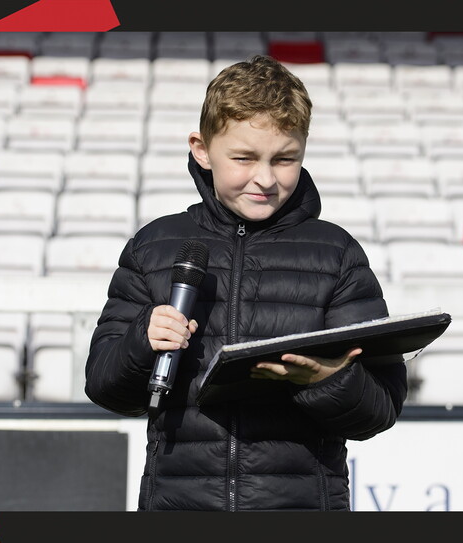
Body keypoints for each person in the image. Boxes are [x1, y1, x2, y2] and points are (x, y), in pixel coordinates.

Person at [84, 54, 407, 511]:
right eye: (243, 157)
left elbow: (381, 409)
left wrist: (326, 379)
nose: (265, 178)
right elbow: (103, 385)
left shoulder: (337, 254)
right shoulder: (152, 246)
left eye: (285, 159)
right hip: (178, 507)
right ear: (201, 149)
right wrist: (142, 341)